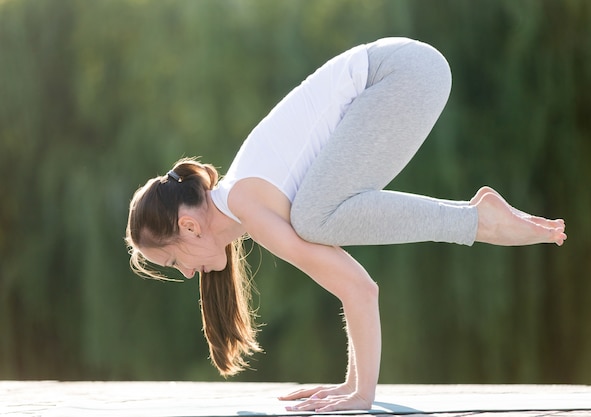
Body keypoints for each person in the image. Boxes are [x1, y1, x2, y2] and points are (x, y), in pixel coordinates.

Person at [125, 37, 566, 412]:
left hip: (403, 74)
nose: (185, 273)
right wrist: (350, 385)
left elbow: (358, 288)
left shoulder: (249, 205)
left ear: (189, 227)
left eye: (172, 262)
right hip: (407, 72)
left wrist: (362, 395)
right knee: (317, 217)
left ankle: (476, 220)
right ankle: (475, 219)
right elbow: (356, 284)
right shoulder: (249, 200)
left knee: (313, 218)